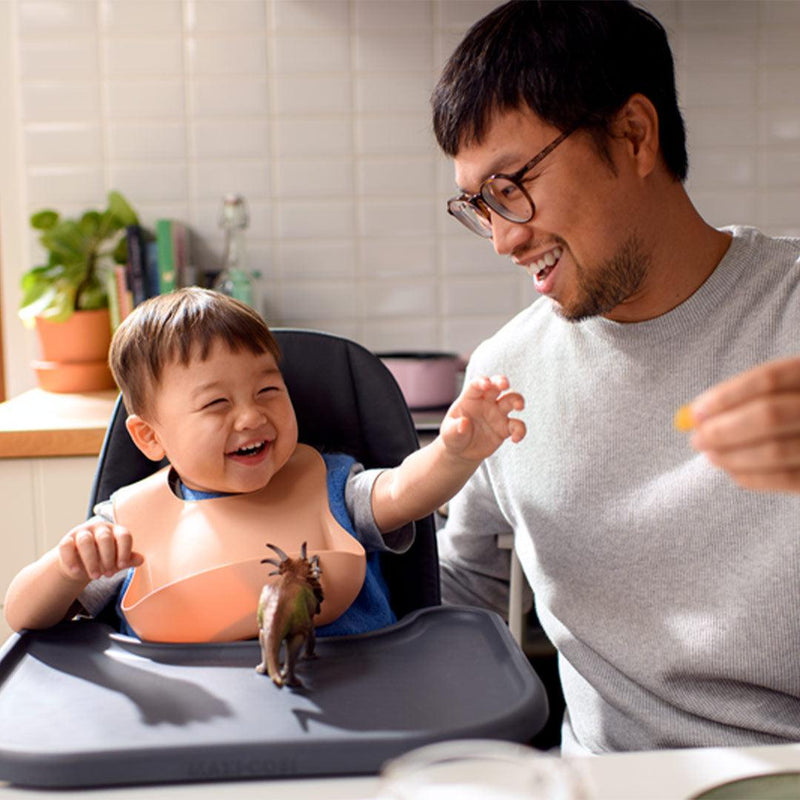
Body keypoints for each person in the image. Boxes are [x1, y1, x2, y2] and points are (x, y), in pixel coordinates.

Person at [431, 0, 800, 755]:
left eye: (511, 187)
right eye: (479, 206)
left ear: (634, 135)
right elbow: (458, 588)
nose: (503, 239)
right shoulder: (508, 372)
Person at [4, 287, 525, 642]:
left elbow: (405, 492)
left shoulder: (333, 487)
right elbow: (22, 615)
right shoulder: (125, 528)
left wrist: (454, 454)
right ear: (149, 436)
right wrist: (66, 570)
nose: (252, 416)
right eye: (216, 404)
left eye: (268, 390)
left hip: (356, 706)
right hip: (188, 729)